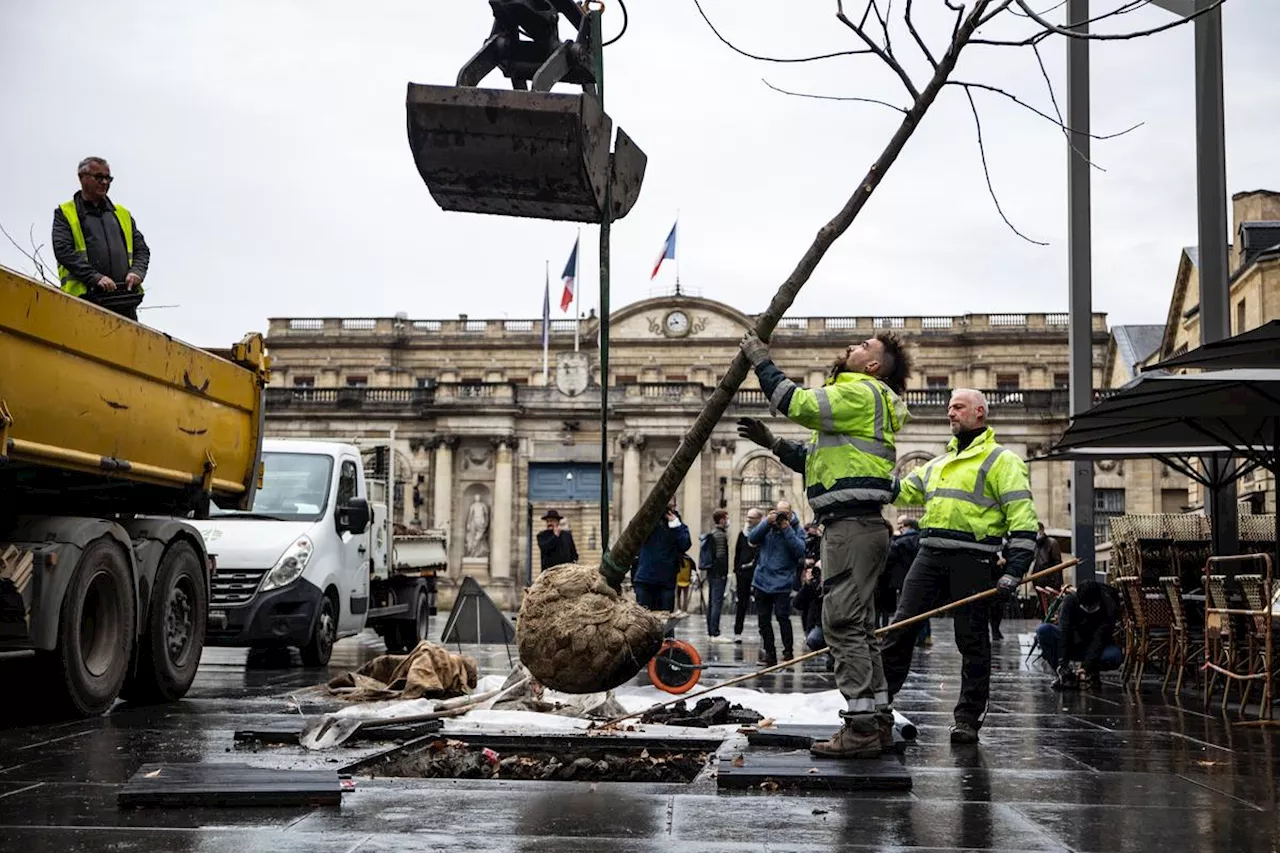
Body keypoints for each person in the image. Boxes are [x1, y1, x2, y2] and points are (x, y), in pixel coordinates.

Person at [737, 328, 912, 759]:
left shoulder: (859, 391)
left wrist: (761, 359)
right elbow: (816, 461)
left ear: (872, 365)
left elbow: (795, 402)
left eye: (864, 347)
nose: (852, 347)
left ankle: (859, 730)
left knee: (841, 625)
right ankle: (878, 721)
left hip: (850, 528)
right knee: (861, 626)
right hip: (859, 525)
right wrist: (775, 445)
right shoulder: (864, 403)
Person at [882, 389, 1040, 745]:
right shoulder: (938, 464)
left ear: (979, 412)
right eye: (949, 408)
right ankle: (877, 708)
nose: (950, 413)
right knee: (901, 629)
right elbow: (900, 491)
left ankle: (967, 717)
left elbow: (1023, 519)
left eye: (957, 407)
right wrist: (865, 473)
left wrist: (1014, 570)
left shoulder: (1003, 460)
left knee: (971, 640)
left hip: (974, 559)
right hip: (929, 555)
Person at [51, 156, 151, 321]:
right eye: (98, 177)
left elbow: (142, 250)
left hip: (123, 300)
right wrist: (95, 277)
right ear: (82, 178)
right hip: (84, 301)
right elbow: (63, 251)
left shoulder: (122, 214)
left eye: (108, 178)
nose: (104, 182)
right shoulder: (66, 213)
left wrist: (137, 272)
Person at [746, 500, 807, 667]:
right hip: (762, 580)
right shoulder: (767, 527)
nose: (781, 516)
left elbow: (800, 551)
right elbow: (752, 538)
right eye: (778, 512)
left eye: (784, 513)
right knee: (763, 621)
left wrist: (786, 528)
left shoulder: (796, 529)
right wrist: (766, 522)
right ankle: (770, 653)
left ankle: (788, 652)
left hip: (782, 582)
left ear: (790, 513)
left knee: (782, 618)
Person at [1036, 580, 1123, 690]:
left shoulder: (1109, 607)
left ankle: (1092, 672)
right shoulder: (1070, 602)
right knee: (1043, 630)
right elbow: (1064, 631)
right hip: (1074, 641)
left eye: (1091, 608)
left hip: (1099, 648)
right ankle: (1064, 675)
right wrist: (1062, 664)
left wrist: (1087, 666)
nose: (1088, 610)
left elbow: (1100, 638)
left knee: (1114, 656)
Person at [633, 496, 691, 634]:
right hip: (645, 579)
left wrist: (676, 526)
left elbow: (685, 544)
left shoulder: (677, 524)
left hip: (666, 581)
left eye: (672, 505)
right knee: (643, 624)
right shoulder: (648, 521)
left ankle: (666, 651)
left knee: (665, 625)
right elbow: (636, 533)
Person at [731, 507, 763, 643]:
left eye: (752, 518)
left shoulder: (762, 534)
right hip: (743, 573)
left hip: (757, 572)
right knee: (742, 603)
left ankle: (763, 632)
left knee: (761, 604)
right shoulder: (742, 534)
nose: (749, 520)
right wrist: (737, 569)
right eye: (748, 517)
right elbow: (737, 553)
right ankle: (738, 631)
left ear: (758, 519)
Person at [700, 509, 732, 642]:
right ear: (721, 520)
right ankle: (715, 632)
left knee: (712, 603)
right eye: (726, 518)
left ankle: (711, 631)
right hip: (718, 574)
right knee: (717, 603)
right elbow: (721, 556)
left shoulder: (713, 533)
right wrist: (723, 573)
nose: (727, 521)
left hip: (712, 573)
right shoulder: (720, 535)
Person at [1034, 522, 1065, 591]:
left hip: (1050, 581)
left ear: (1041, 531)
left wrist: (1057, 582)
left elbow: (1057, 563)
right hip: (1038, 580)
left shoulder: (1051, 543)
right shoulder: (1036, 543)